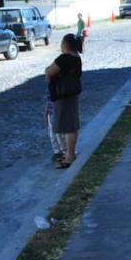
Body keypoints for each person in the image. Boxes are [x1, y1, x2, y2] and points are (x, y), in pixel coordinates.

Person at [45, 33, 82, 169]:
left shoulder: (64, 58)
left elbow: (49, 72)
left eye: (61, 43)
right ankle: (69, 154)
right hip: (72, 94)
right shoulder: (77, 58)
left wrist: (46, 72)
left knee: (68, 127)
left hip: (63, 96)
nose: (60, 45)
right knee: (71, 125)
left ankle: (70, 156)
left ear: (65, 44)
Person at [43, 87, 65, 164]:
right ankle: (57, 151)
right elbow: (48, 101)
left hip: (57, 114)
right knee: (52, 134)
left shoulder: (60, 87)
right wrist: (46, 113)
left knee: (59, 134)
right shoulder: (50, 87)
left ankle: (64, 151)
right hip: (51, 113)